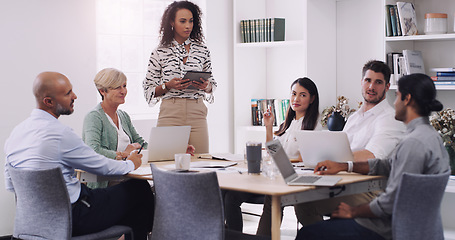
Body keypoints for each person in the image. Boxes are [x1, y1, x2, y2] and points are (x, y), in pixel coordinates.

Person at [295, 73, 450, 240]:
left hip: (389, 229)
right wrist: (344, 166)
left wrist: (352, 211)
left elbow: (391, 201)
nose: (395, 103)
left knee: (308, 234)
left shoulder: (414, 144)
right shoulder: (431, 137)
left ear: (408, 99)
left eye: (397, 97)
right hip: (415, 226)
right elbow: (388, 165)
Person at [4, 72, 154, 239]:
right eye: (68, 93)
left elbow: (11, 185)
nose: (75, 96)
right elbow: (102, 166)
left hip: (31, 223)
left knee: (130, 204)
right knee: (139, 189)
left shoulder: (15, 134)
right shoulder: (60, 134)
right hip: (73, 217)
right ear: (48, 101)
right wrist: (131, 163)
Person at [283, 60, 406, 233]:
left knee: (305, 203)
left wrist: (335, 162)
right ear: (361, 82)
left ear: (387, 87)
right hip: (346, 183)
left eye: (378, 82)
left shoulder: (389, 118)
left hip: (372, 191)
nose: (371, 86)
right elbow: (341, 149)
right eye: (368, 80)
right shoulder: (355, 117)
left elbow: (372, 156)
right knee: (302, 200)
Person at [224, 77, 321, 232]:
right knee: (230, 196)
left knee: (243, 197)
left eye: (303, 95)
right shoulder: (287, 124)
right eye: (294, 94)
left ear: (312, 99)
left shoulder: (314, 126)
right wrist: (268, 126)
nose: (296, 99)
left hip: (289, 180)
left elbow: (304, 159)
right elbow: (273, 151)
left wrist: (278, 159)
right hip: (273, 175)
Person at [83, 68, 195, 188]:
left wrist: (176, 150)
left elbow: (141, 144)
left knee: (166, 184)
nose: (123, 91)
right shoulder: (94, 117)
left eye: (124, 86)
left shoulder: (123, 116)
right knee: (149, 189)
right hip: (107, 182)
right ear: (102, 91)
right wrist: (123, 154)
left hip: (128, 176)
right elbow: (93, 151)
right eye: (117, 87)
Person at [143, 0, 217, 154]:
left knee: (201, 162)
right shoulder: (159, 52)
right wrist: (168, 86)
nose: (188, 26)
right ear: (172, 22)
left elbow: (212, 84)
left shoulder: (203, 50)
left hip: (197, 112)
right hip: (170, 112)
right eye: (182, 21)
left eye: (191, 21)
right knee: (165, 162)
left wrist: (206, 86)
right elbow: (149, 90)